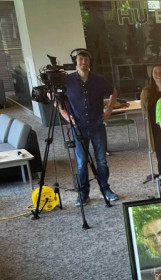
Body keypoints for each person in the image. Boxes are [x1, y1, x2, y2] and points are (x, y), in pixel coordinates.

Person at [60, 49, 119, 206]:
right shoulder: (67, 80)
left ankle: (105, 189)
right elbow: (56, 99)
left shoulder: (99, 80)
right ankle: (83, 194)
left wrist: (108, 111)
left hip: (97, 125)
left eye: (86, 59)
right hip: (78, 127)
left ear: (90, 62)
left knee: (101, 161)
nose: (83, 62)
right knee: (81, 162)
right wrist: (66, 116)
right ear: (76, 61)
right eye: (80, 59)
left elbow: (113, 92)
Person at [140, 64, 161, 189]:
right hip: (156, 129)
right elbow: (144, 109)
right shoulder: (147, 91)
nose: (158, 74)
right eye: (155, 72)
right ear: (151, 75)